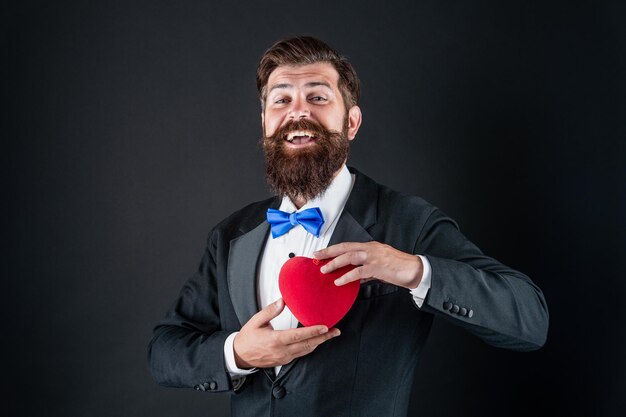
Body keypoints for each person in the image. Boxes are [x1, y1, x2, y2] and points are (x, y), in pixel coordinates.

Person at [147, 36, 549, 417]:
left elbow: (530, 321)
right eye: (281, 99)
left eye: (318, 97)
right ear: (266, 123)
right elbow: (164, 350)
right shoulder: (231, 235)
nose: (298, 112)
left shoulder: (408, 222)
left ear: (352, 122)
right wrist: (237, 353)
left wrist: (414, 270)